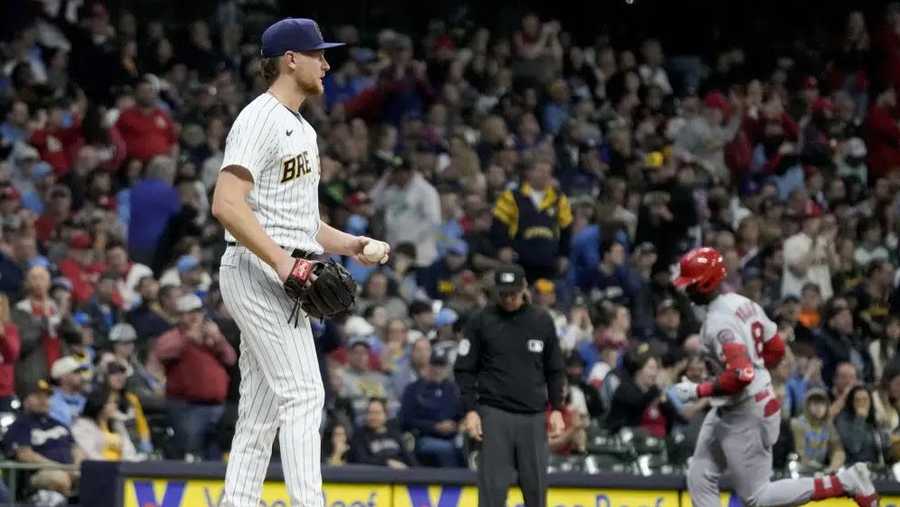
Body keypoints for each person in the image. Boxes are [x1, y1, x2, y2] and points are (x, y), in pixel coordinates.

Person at [210, 18, 390, 507]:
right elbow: (226, 204)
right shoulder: (260, 118)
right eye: (319, 54)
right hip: (255, 272)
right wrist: (284, 263)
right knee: (305, 394)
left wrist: (352, 244)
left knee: (261, 410)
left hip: (285, 275)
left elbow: (304, 225)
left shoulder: (303, 130)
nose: (327, 64)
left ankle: (237, 501)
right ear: (291, 59)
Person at [670, 247, 877, 507]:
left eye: (692, 284)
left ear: (706, 282)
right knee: (700, 475)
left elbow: (741, 373)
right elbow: (776, 349)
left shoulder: (717, 322)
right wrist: (756, 371)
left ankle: (845, 481)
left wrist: (698, 391)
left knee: (757, 496)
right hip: (739, 403)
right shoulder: (742, 302)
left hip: (745, 410)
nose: (687, 290)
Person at [454, 264, 565, 507]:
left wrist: (556, 409)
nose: (508, 299)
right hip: (495, 414)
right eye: (503, 294)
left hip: (534, 415)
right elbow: (464, 370)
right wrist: (471, 410)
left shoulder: (541, 320)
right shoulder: (481, 320)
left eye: (513, 293)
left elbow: (555, 369)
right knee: (492, 491)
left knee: (536, 490)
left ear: (524, 288)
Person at [153, 293, 236, 459]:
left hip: (217, 406)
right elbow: (161, 353)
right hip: (187, 407)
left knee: (215, 453)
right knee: (190, 452)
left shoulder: (211, 337)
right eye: (190, 312)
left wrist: (218, 339)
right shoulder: (174, 336)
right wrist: (187, 339)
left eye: (197, 312)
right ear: (180, 316)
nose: (195, 316)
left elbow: (231, 359)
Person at [2, 378, 84, 498]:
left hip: (69, 471)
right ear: (25, 400)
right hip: (37, 476)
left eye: (47, 397)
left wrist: (76, 467)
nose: (44, 401)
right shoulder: (21, 424)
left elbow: (76, 449)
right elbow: (25, 454)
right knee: (59, 478)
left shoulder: (58, 424)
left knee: (95, 477)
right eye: (38, 396)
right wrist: (62, 468)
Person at [399, 348, 463, 467]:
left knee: (466, 448)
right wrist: (434, 427)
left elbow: (462, 414)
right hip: (424, 436)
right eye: (434, 365)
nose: (437, 370)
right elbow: (406, 419)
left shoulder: (454, 389)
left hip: (454, 435)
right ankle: (452, 483)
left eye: (441, 365)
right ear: (428, 366)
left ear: (447, 367)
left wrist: (456, 425)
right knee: (446, 449)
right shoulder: (414, 389)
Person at [71, 385, 139, 461]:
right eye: (111, 402)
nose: (115, 406)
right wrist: (109, 466)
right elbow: (90, 453)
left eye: (116, 402)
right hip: (100, 468)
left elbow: (129, 450)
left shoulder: (117, 423)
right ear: (99, 404)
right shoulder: (82, 425)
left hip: (121, 467)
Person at [790, 387, 846, 474]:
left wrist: (833, 467)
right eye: (815, 403)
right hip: (800, 472)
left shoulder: (828, 426)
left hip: (821, 471)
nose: (819, 407)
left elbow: (838, 450)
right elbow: (800, 454)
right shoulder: (798, 424)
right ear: (807, 405)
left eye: (822, 403)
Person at [348, 397, 415, 468]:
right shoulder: (359, 435)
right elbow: (362, 460)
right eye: (369, 412)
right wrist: (387, 462)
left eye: (377, 413)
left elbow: (409, 458)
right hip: (376, 475)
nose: (372, 417)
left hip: (402, 475)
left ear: (385, 415)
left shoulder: (394, 433)